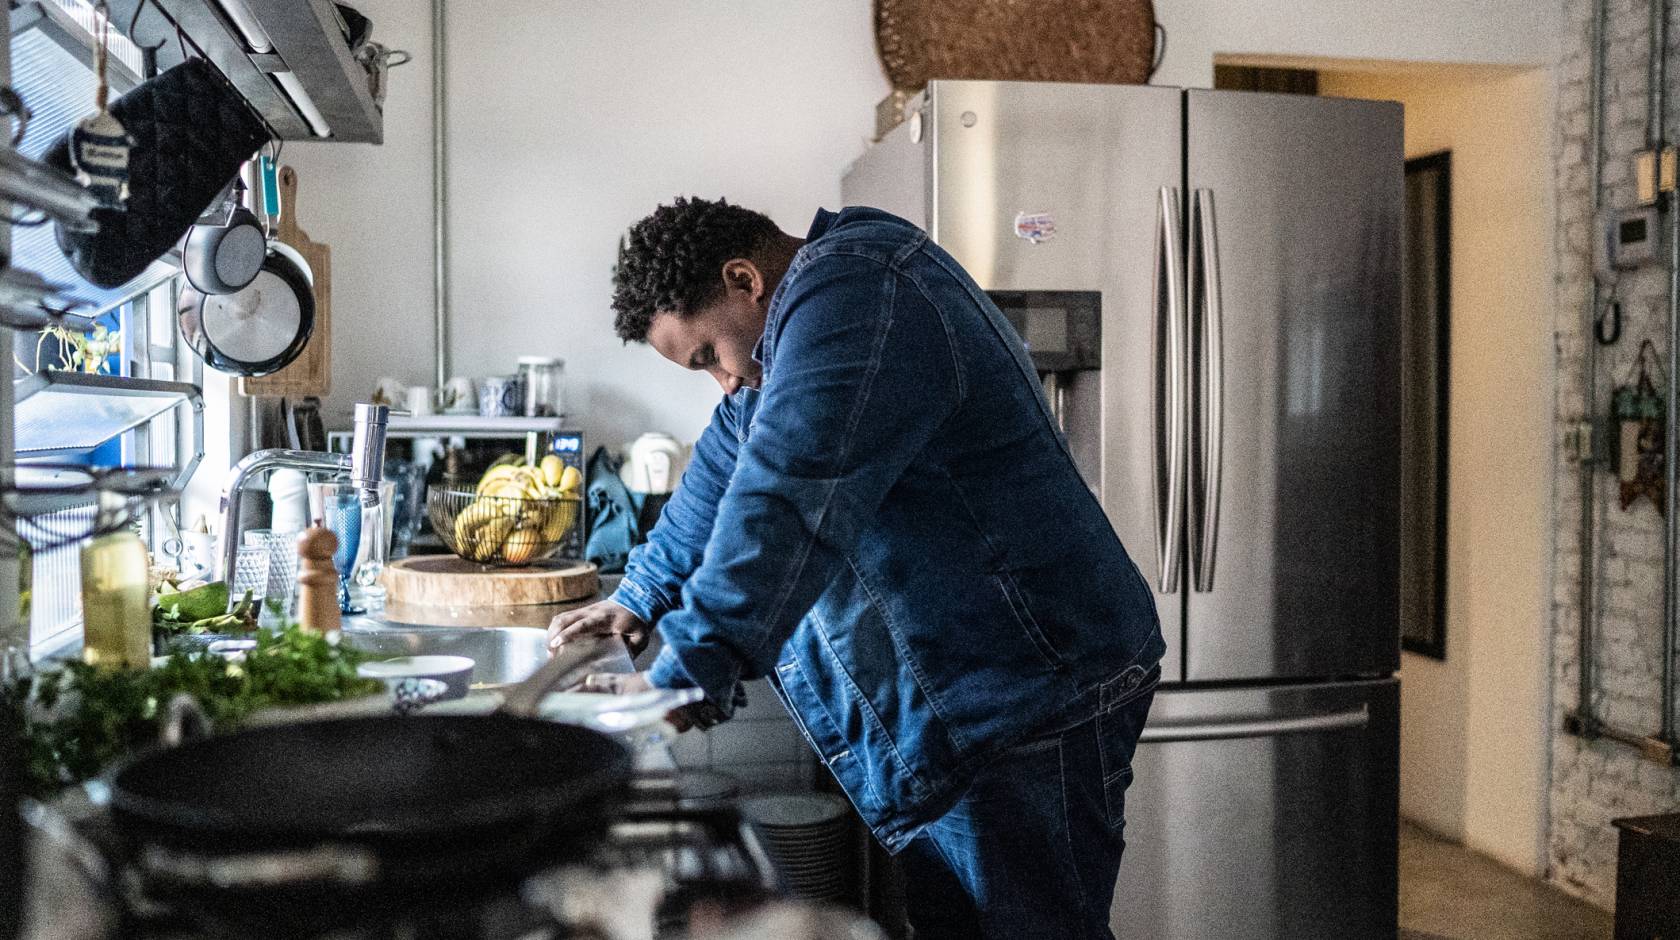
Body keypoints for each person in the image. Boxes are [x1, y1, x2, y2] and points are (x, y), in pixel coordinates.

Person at [549, 196, 1164, 938]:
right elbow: (725, 466)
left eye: (708, 354)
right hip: (972, 708)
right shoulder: (795, 330)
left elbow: (786, 494)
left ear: (745, 278)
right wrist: (642, 594)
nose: (721, 382)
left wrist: (685, 674)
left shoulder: (856, 291)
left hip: (1027, 699)